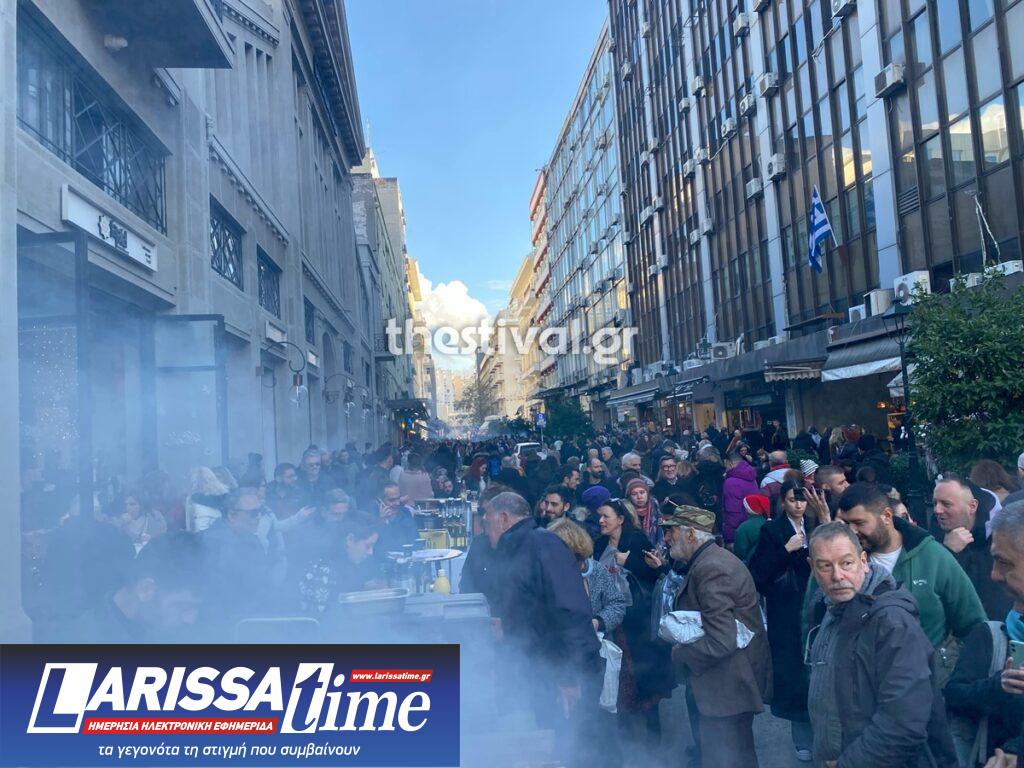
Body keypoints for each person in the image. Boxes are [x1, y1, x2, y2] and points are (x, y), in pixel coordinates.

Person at [805, 522, 958, 768]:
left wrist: (849, 764)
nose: (837, 576)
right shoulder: (829, 607)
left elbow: (904, 722)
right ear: (812, 567)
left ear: (863, 561)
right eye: (825, 566)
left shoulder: (892, 622)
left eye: (846, 563)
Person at [483, 492, 602, 764]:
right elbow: (534, 608)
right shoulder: (518, 547)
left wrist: (569, 679)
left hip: (564, 672)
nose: (485, 529)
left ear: (504, 518)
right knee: (548, 746)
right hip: (540, 669)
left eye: (488, 521)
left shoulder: (544, 545)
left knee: (572, 749)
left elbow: (570, 612)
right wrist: (508, 626)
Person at [660, 504, 770, 768]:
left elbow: (721, 641)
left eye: (671, 531)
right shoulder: (709, 561)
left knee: (727, 759)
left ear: (690, 534)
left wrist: (680, 653)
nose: (667, 538)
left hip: (726, 689)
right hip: (725, 687)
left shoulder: (711, 568)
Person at [835, 481, 986, 647]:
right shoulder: (838, 562)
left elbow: (973, 623)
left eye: (859, 523)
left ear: (886, 516)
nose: (852, 531)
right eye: (846, 524)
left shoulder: (933, 556)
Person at [594, 500, 672, 748]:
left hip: (637, 619)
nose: (601, 521)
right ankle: (624, 730)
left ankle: (652, 732)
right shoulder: (599, 545)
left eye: (606, 517)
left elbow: (657, 574)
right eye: (599, 517)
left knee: (643, 673)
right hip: (611, 620)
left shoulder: (636, 540)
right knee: (618, 673)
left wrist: (630, 563)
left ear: (620, 519)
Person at [747, 480, 815, 761]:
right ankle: (802, 737)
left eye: (802, 499)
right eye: (792, 499)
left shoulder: (816, 525)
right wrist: (785, 549)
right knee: (794, 673)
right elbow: (758, 573)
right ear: (783, 502)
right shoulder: (772, 530)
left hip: (816, 606)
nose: (798, 505)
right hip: (786, 611)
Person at [66, 532, 204, 643]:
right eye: (183, 607)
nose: (191, 620)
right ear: (145, 590)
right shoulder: (82, 641)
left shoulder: (148, 627)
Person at [931, 474, 1011, 621]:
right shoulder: (932, 539)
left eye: (946, 504)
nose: (937, 510)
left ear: (972, 506)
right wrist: (947, 552)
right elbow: (929, 592)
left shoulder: (1002, 539)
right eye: (935, 503)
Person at [199, 487, 275, 631]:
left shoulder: (251, 539)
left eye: (261, 511)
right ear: (232, 515)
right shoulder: (214, 543)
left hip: (247, 620)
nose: (259, 517)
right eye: (253, 513)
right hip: (225, 624)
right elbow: (222, 593)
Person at [548, 517, 627, 634]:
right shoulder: (544, 572)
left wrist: (598, 622)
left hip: (592, 639)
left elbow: (617, 604)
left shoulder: (597, 571)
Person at [299, 511, 383, 614]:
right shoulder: (323, 571)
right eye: (368, 546)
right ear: (350, 540)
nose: (370, 552)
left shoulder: (348, 563)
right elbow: (325, 617)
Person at [721, 451, 761, 545]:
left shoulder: (731, 482)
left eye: (725, 465)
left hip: (737, 533)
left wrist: (729, 538)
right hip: (752, 527)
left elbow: (732, 511)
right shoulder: (751, 477)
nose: (725, 468)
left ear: (730, 463)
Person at [185, 466, 230, 532]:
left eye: (206, 481)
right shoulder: (192, 500)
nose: (202, 485)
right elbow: (192, 525)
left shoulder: (225, 496)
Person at [623, 476, 663, 546]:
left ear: (647, 493)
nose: (639, 497)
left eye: (642, 492)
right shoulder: (625, 511)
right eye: (634, 494)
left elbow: (660, 529)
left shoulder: (655, 506)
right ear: (629, 497)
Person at [732, 493, 772, 563]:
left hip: (751, 564)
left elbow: (739, 552)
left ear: (748, 509)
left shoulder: (743, 528)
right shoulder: (771, 524)